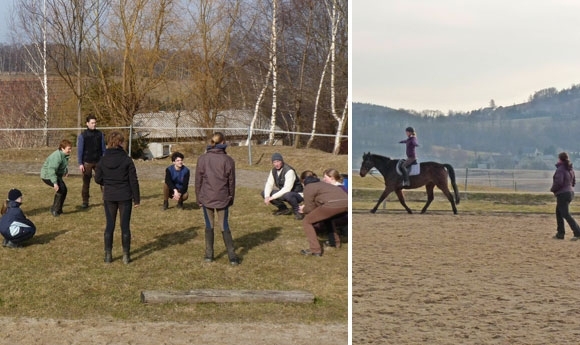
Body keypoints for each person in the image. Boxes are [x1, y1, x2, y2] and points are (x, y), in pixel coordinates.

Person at [95, 131, 140, 264]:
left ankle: (108, 255)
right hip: (124, 196)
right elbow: (133, 180)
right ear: (120, 143)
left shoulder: (103, 160)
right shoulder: (127, 159)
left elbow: (97, 178)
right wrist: (136, 198)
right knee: (125, 227)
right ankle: (126, 256)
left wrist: (107, 182)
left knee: (110, 226)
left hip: (109, 196)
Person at [195, 132, 239, 265]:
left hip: (207, 197)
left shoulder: (202, 159)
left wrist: (199, 198)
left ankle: (209, 254)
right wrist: (231, 197)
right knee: (224, 225)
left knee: (209, 225)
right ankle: (232, 257)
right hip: (222, 197)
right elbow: (231, 182)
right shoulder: (228, 160)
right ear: (222, 143)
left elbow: (198, 181)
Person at [298, 170, 348, 257]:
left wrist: (303, 210)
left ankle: (315, 250)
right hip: (346, 203)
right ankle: (335, 242)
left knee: (307, 221)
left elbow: (309, 208)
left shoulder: (308, 187)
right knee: (326, 217)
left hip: (332, 204)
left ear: (303, 181)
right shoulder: (324, 185)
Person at [261, 152, 304, 220]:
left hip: (298, 194)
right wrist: (267, 196)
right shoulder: (273, 171)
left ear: (282, 161)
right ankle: (283, 209)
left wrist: (272, 197)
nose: (276, 164)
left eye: (278, 161)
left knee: (288, 195)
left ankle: (298, 211)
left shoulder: (289, 171)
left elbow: (287, 188)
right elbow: (269, 184)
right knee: (264, 193)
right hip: (285, 193)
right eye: (274, 162)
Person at [77, 114, 106, 209]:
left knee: (103, 181)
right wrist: (80, 163)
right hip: (87, 162)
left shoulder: (100, 134)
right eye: (92, 123)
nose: (94, 124)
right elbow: (80, 150)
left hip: (99, 162)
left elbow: (103, 149)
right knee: (86, 183)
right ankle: (85, 201)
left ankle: (106, 199)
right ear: (87, 124)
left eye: (95, 123)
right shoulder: (83, 136)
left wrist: (104, 160)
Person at [550, 151, 580, 240]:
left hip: (562, 194)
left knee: (566, 214)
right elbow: (573, 181)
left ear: (559, 159)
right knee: (559, 212)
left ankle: (577, 232)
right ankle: (560, 233)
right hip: (570, 192)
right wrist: (569, 188)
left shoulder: (560, 169)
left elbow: (558, 182)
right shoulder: (570, 169)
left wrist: (553, 189)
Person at [41, 139, 72, 217]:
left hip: (55, 175)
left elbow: (62, 165)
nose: (70, 150)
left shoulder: (64, 155)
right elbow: (51, 170)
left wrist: (65, 171)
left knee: (64, 190)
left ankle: (58, 209)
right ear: (62, 148)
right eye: (69, 149)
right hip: (47, 176)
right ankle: (55, 210)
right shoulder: (57, 156)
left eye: (70, 148)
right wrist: (55, 183)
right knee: (61, 189)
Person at [319, 168, 348, 248]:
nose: (323, 180)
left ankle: (334, 241)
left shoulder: (339, 189)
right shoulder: (334, 188)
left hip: (342, 215)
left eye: (325, 178)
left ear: (332, 178)